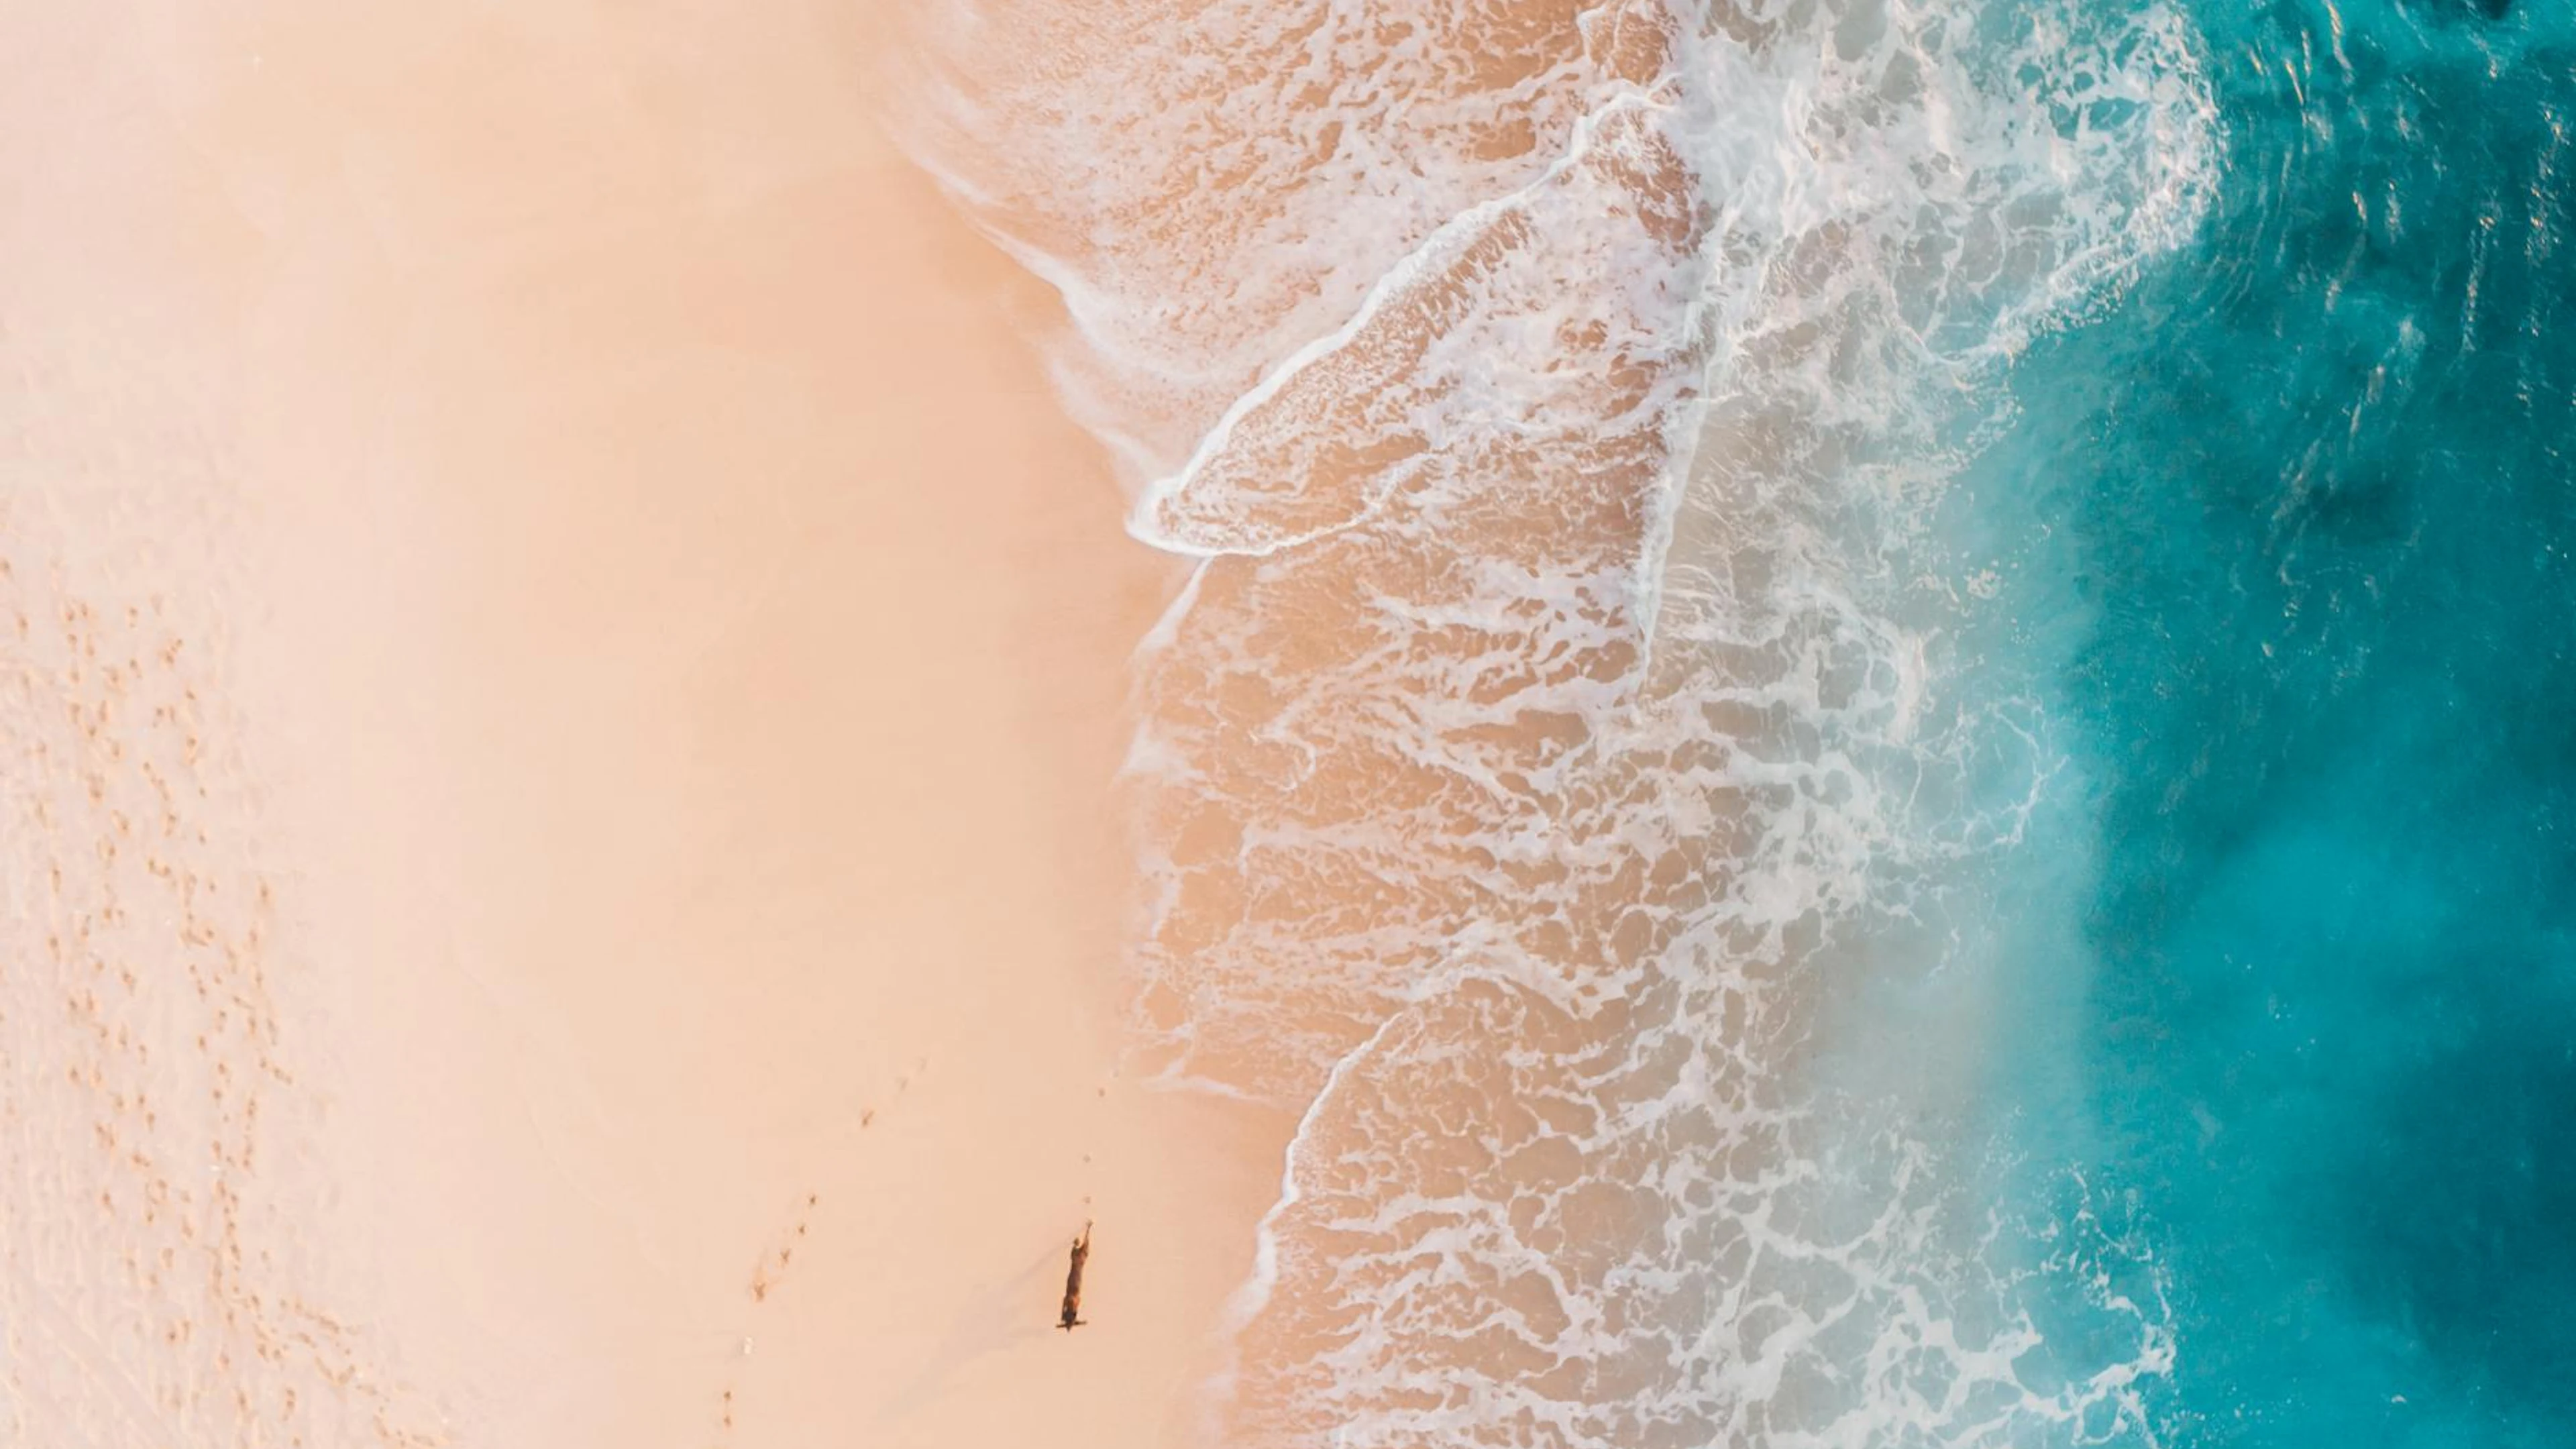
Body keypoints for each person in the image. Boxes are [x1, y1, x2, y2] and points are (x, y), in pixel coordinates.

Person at [1057, 1222, 1092, 1331]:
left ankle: (1088, 1229)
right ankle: (1087, 1230)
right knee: (1076, 1264)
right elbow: (1066, 1301)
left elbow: (1070, 1301)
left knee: (1077, 1264)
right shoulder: (1069, 1302)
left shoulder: (1072, 1301)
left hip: (1074, 1284)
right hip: (1073, 1284)